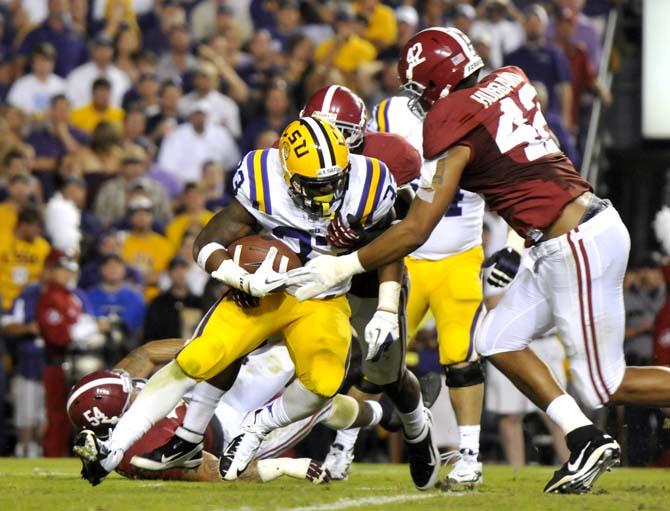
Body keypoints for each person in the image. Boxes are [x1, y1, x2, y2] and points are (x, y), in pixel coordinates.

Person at [289, 27, 670, 494]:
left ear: (434, 82)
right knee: (494, 337)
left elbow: (416, 229)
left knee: (602, 386)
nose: (418, 100)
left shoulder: (451, 116)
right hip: (569, 237)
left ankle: (590, 435)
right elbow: (506, 169)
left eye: (418, 88)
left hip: (574, 243)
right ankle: (585, 437)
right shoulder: (510, 78)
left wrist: (342, 266)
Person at [73, 117, 436, 492]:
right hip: (269, 290)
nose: (328, 194)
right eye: (316, 185)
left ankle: (260, 426)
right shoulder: (265, 180)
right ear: (287, 173)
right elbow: (207, 243)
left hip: (324, 297)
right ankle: (113, 449)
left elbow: (394, 244)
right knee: (197, 357)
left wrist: (387, 308)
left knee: (326, 384)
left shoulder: (368, 183)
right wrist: (240, 277)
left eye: (334, 181)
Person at [368, 90, 488, 486]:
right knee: (373, 358)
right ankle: (342, 449)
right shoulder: (388, 112)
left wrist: (515, 248)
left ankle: (469, 455)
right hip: (406, 258)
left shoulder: (479, 114)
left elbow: (515, 182)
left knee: (460, 355)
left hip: (459, 255)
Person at [70, 340, 380, 484]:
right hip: (234, 433)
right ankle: (380, 417)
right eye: (131, 394)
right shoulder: (137, 452)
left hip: (216, 398)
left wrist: (215, 348)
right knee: (320, 400)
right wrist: (286, 468)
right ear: (115, 419)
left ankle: (384, 412)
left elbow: (146, 353)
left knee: (292, 350)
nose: (138, 389)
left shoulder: (119, 394)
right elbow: (216, 471)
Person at [37, 249, 97, 456]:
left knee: (74, 416)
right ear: (52, 271)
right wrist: (82, 329)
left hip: (75, 361)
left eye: (70, 270)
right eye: (62, 270)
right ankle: (52, 455)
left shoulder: (72, 298)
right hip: (56, 362)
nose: (67, 274)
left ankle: (68, 455)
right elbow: (57, 336)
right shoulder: (49, 298)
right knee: (56, 416)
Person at [504, 5, 573, 134]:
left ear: (544, 25)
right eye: (529, 22)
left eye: (537, 22)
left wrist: (565, 118)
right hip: (519, 116)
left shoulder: (554, 54)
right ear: (523, 25)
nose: (533, 26)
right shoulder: (513, 57)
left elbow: (565, 86)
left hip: (549, 116)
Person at [1, 283, 46, 457]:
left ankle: (39, 447)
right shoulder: (27, 296)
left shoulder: (72, 296)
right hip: (26, 362)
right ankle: (23, 447)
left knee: (45, 414)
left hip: (54, 362)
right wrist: (29, 328)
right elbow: (7, 325)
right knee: (25, 412)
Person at [157, 102, 240, 187]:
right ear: (190, 117)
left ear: (208, 116)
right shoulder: (176, 135)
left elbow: (232, 162)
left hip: (215, 188)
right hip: (186, 187)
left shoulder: (221, 133)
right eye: (196, 115)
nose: (199, 118)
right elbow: (166, 166)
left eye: (202, 115)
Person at [94, 144, 172, 228]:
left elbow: (166, 218)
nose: (136, 167)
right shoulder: (109, 188)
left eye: (139, 163)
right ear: (121, 166)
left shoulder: (158, 188)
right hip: (116, 233)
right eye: (130, 163)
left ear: (145, 166)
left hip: (151, 234)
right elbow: (99, 217)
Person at [119, 195, 173, 301]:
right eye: (137, 214)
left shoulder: (163, 243)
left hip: (155, 298)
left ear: (151, 216)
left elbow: (165, 276)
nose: (141, 217)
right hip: (126, 297)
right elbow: (119, 274)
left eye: (145, 213)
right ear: (130, 218)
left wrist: (136, 278)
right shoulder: (122, 241)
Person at [86, 254, 145, 347]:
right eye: (108, 266)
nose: (113, 270)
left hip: (129, 347)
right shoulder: (89, 296)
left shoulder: (135, 296)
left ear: (124, 270)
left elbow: (140, 328)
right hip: (96, 345)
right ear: (101, 270)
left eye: (117, 266)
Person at [0, 204, 50, 311]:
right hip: (4, 299)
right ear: (23, 225)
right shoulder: (3, 242)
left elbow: (47, 275)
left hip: (31, 300)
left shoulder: (43, 247)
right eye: (36, 226)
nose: (39, 231)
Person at [18, 0, 87, 78]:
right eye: (54, 2)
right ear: (48, 4)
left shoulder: (78, 34)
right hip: (39, 86)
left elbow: (84, 66)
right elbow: (20, 63)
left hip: (70, 86)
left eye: (61, 2)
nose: (58, 5)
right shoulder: (33, 33)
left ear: (67, 5)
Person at [143, 256, 201, 341]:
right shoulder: (158, 303)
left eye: (183, 268)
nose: (179, 273)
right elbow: (149, 335)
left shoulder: (198, 302)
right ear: (169, 274)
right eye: (175, 269)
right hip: (164, 351)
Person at [178, 61, 241, 140]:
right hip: (189, 145)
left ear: (214, 80)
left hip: (216, 146)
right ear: (194, 80)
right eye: (199, 77)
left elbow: (235, 134)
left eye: (206, 78)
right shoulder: (183, 102)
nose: (202, 81)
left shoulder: (227, 104)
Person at [66, 33, 131, 109]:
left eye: (106, 48)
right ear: (92, 51)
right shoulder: (77, 75)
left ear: (112, 51)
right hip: (84, 119)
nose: (103, 52)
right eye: (99, 48)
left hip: (114, 119)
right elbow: (71, 103)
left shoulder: (122, 77)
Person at [7, 42, 66, 115]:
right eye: (39, 60)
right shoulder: (21, 84)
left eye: (47, 60)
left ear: (53, 63)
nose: (43, 64)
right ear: (32, 63)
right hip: (27, 125)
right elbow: (12, 111)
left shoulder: (61, 85)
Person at [165, 183, 213, 250]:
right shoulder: (174, 225)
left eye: (196, 196)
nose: (193, 200)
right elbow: (173, 250)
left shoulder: (214, 220)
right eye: (190, 196)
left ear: (204, 197)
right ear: (184, 199)